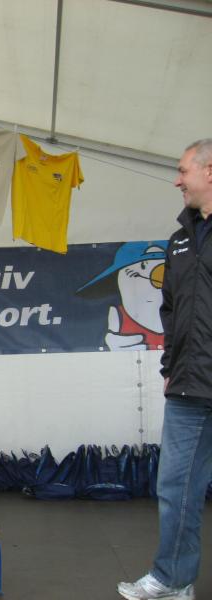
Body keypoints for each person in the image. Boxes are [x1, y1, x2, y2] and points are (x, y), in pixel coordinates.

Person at [117, 139, 212, 600]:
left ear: (209, 171)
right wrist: (170, 366)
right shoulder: (180, 240)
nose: (177, 180)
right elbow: (171, 312)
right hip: (190, 387)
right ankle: (174, 579)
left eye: (183, 171)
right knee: (176, 487)